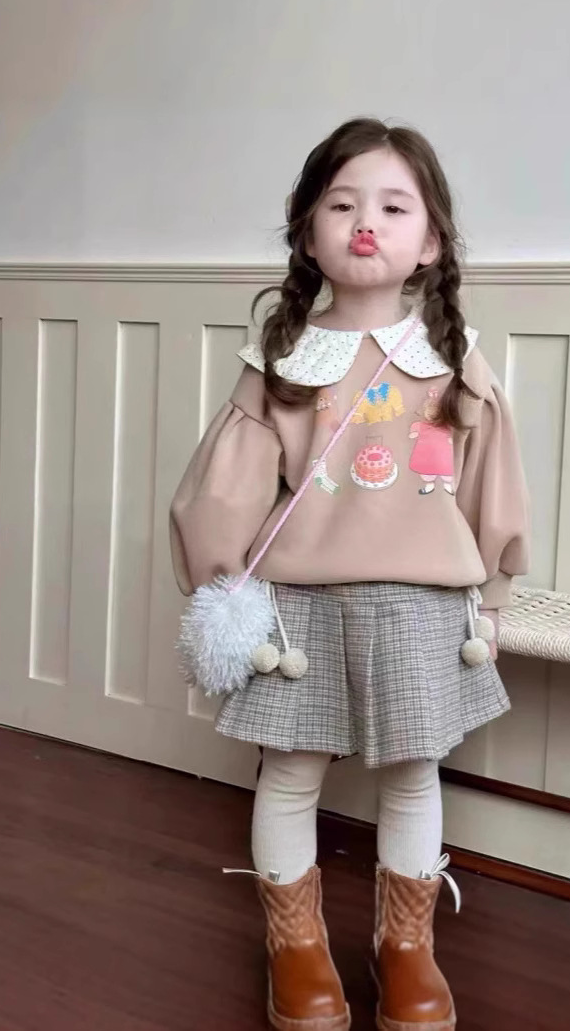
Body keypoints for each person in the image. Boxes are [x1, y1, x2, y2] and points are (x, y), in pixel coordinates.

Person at [170, 117, 530, 1031]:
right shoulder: (281, 363)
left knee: (413, 774)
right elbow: (224, 489)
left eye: (393, 207)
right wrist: (223, 587)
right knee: (291, 773)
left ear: (431, 242)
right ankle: (296, 947)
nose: (366, 221)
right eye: (341, 204)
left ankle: (406, 948)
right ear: (307, 232)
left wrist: (492, 596)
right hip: (297, 609)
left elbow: (491, 484)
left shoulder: (453, 357)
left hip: (424, 605)